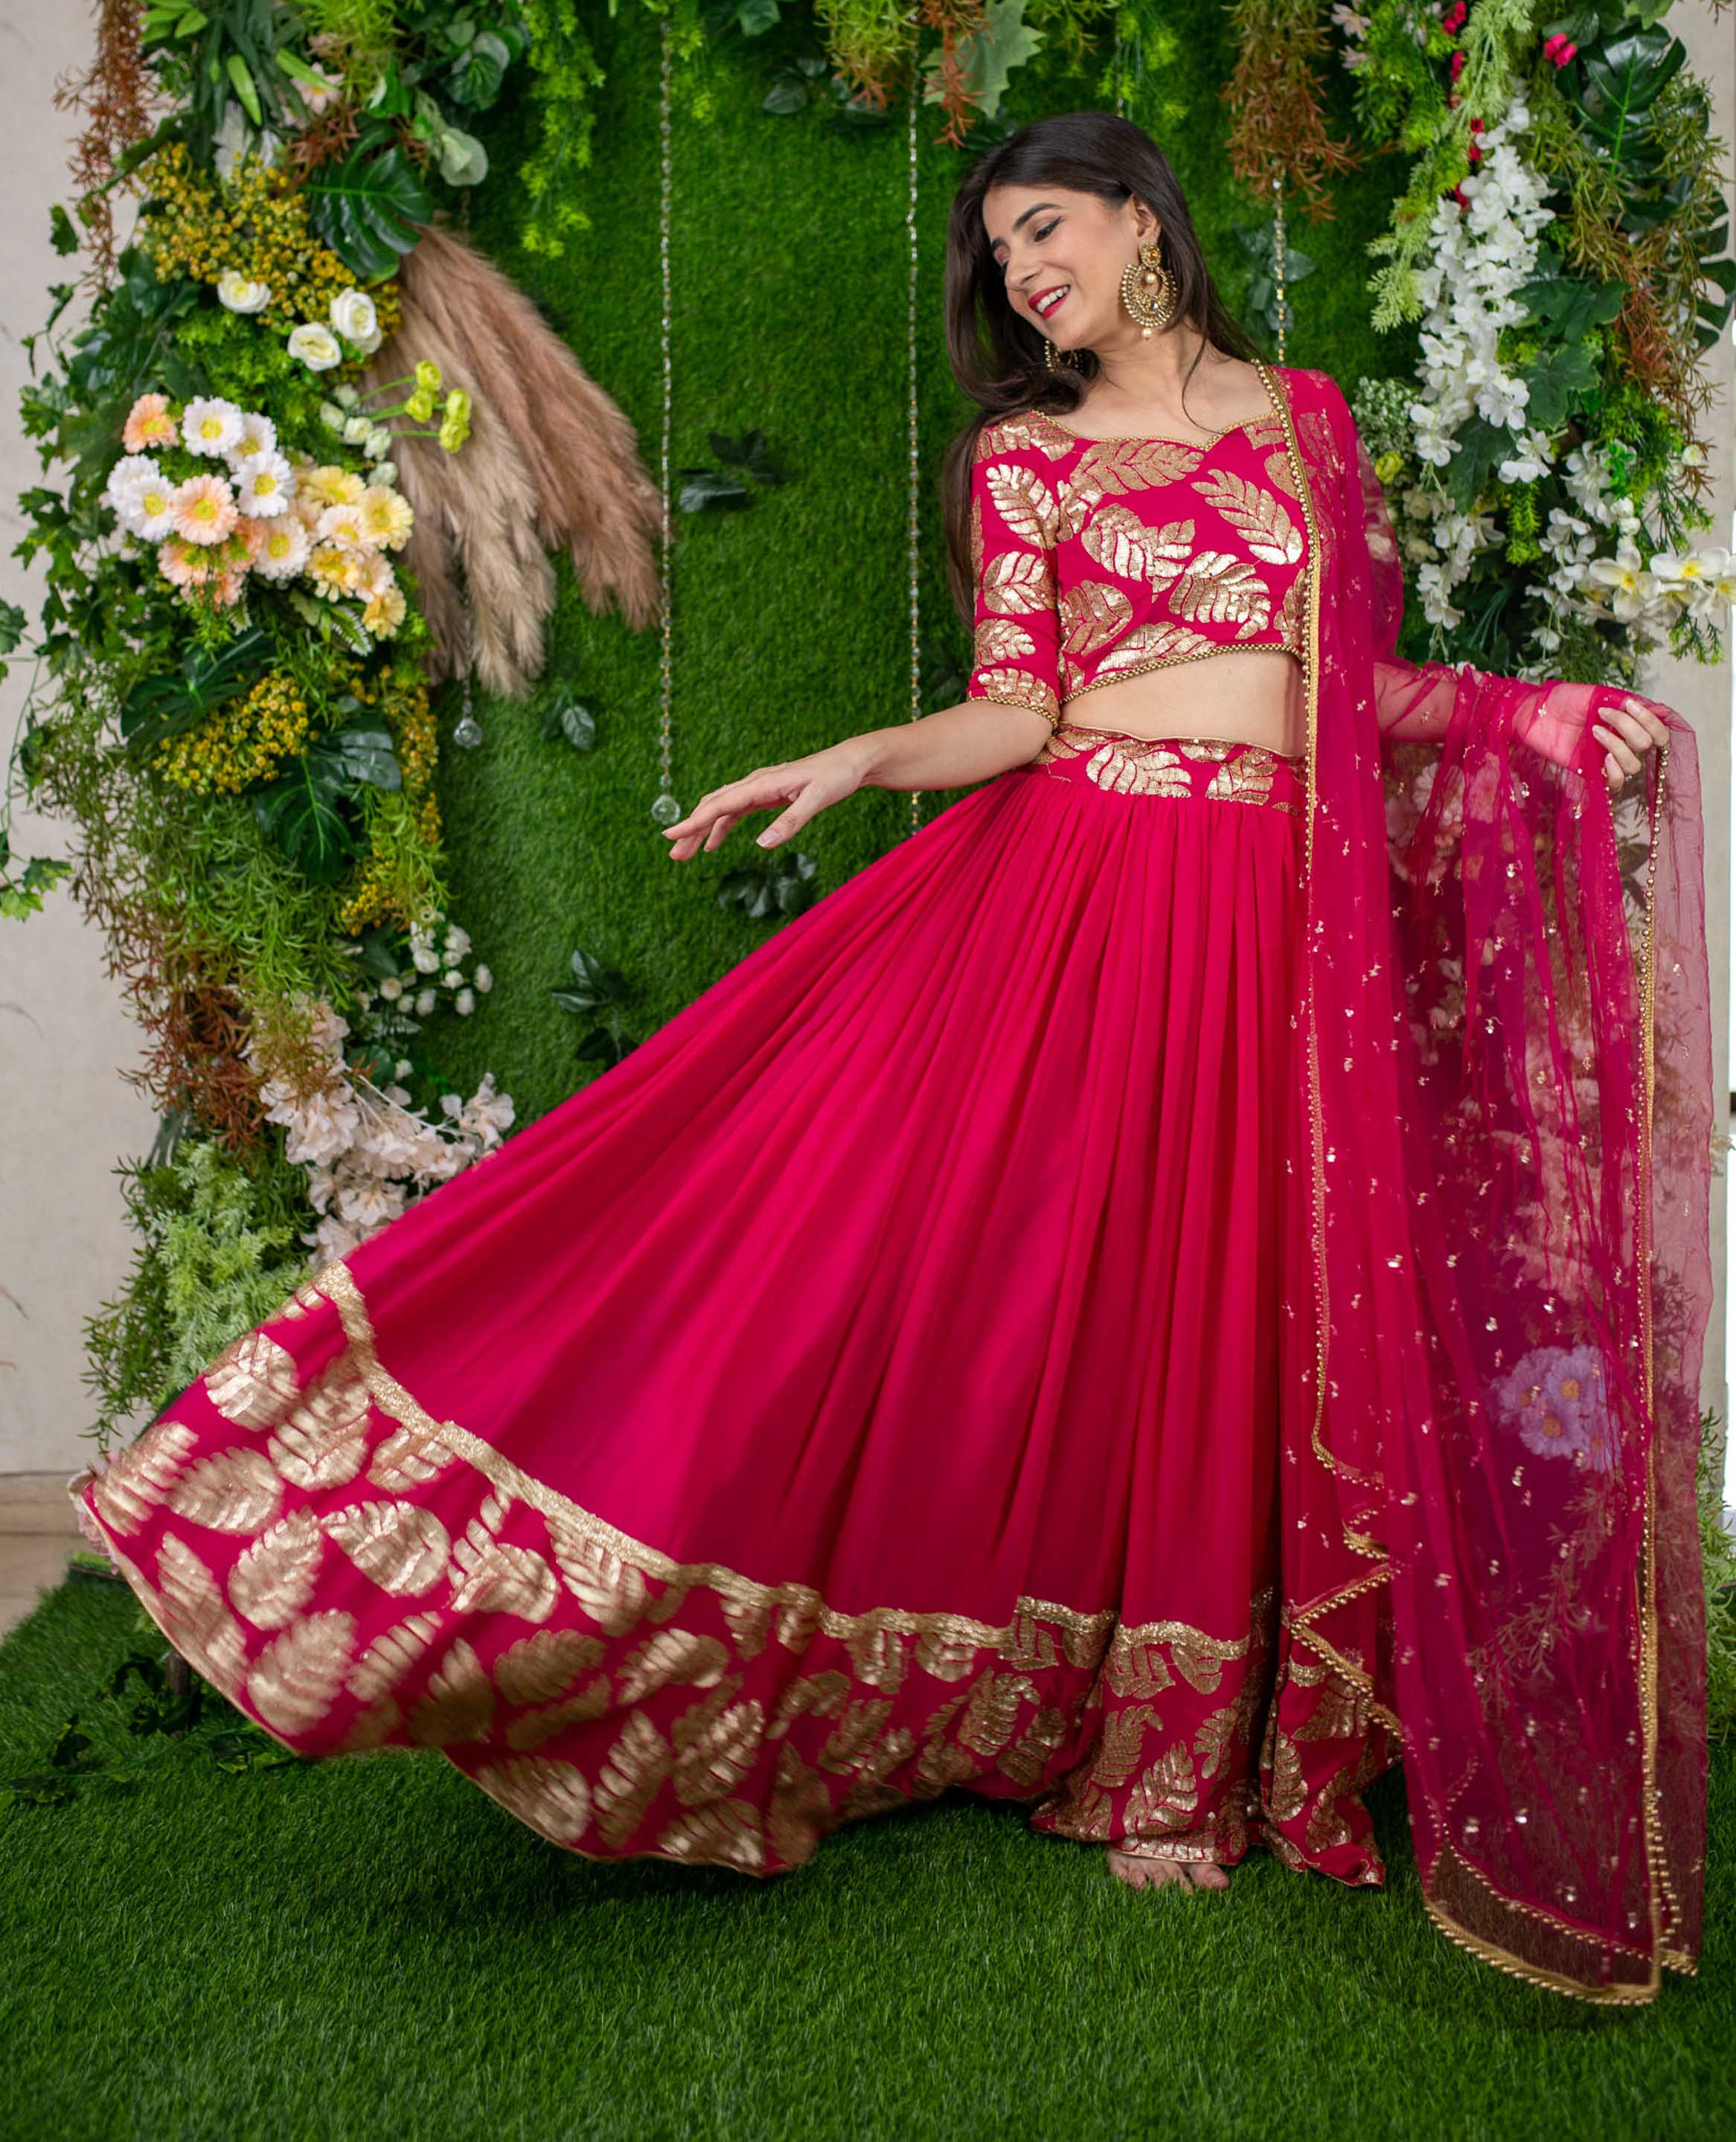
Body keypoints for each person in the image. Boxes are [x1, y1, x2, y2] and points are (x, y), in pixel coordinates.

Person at [73, 113, 1710, 2003]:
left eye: (1048, 228)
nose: (1026, 274)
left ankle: (1205, 1722)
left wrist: (1533, 717)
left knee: (1226, 1303)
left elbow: (1350, 697)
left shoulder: (1310, 424)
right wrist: (854, 758)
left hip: (1273, 926)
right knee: (949, 1273)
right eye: (1002, 254)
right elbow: (1019, 711)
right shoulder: (1024, 461)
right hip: (1091, 892)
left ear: (1143, 221)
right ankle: (484, 1586)